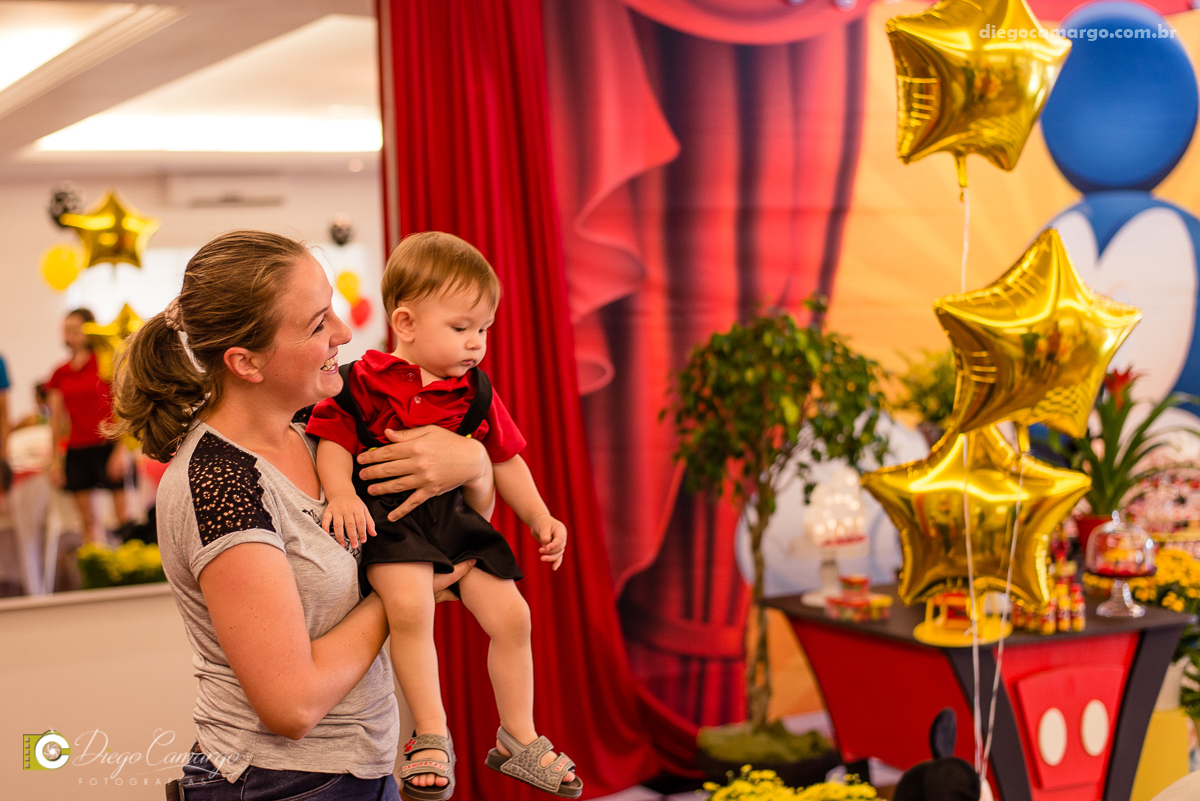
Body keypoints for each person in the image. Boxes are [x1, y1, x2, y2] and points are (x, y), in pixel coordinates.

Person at [107, 230, 490, 800]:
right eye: (317, 324)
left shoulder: (320, 437)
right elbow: (293, 704)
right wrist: (406, 592)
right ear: (245, 362)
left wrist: (477, 464)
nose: (344, 332)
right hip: (282, 782)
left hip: (361, 766)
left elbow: (451, 528)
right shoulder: (220, 482)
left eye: (332, 308)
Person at [306, 231, 581, 800]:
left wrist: (540, 517)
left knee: (514, 617)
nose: (477, 343)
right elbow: (332, 438)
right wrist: (341, 495)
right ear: (405, 323)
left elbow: (505, 459)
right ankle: (430, 733)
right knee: (410, 610)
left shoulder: (475, 391)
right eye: (461, 328)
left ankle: (518, 735)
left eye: (484, 329)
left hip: (456, 523)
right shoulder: (361, 381)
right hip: (392, 521)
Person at [45, 308, 131, 545]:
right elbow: (56, 420)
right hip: (77, 447)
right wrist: (55, 459)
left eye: (76, 329)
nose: (71, 334)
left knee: (122, 519)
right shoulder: (60, 373)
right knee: (87, 522)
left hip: (107, 444)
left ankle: (128, 567)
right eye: (67, 329)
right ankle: (95, 568)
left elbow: (122, 405)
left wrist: (122, 450)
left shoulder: (105, 362)